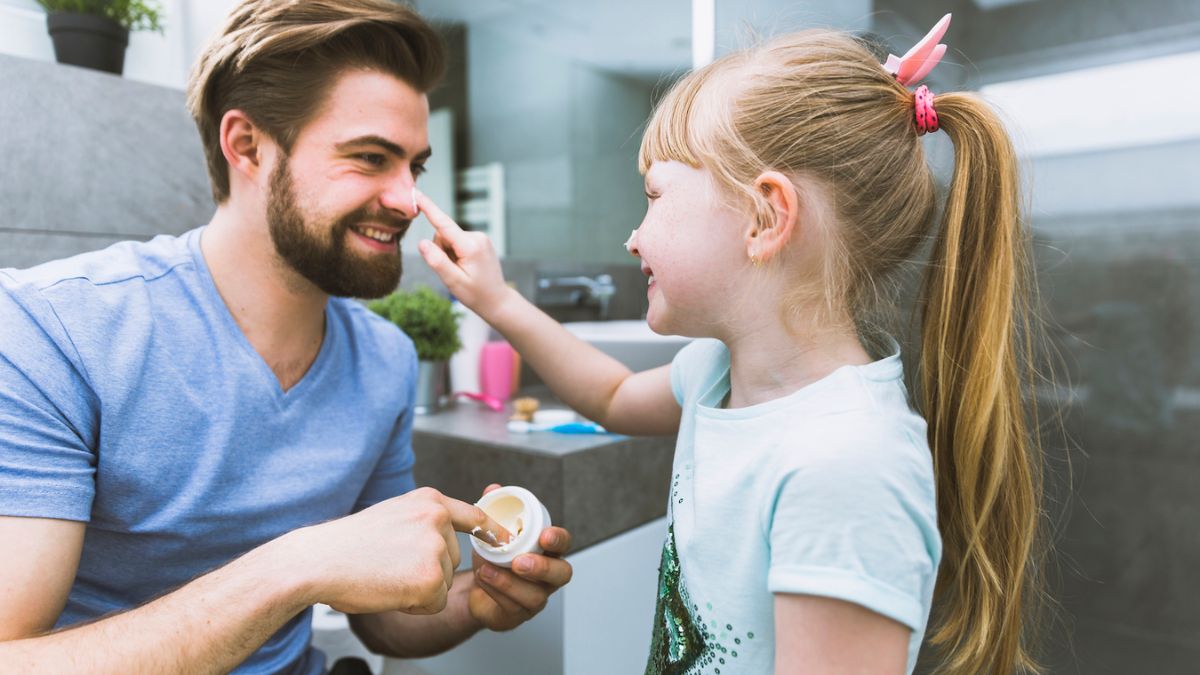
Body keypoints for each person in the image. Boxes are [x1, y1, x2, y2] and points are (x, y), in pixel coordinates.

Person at [416, 13, 1046, 675]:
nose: (633, 237)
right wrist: (497, 300)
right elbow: (611, 393)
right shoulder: (718, 373)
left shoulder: (845, 465)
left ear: (766, 215)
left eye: (654, 196)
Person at [0, 1, 572, 673]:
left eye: (413, 165)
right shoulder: (54, 330)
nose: (409, 199)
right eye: (369, 157)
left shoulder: (383, 359)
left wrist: (476, 600)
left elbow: (381, 618)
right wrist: (299, 564)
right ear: (246, 146)